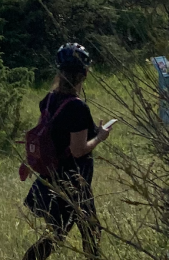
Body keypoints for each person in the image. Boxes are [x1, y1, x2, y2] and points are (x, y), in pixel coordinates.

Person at [22, 43, 113, 260]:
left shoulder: (48, 99)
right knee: (89, 232)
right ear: (84, 74)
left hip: (50, 176)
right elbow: (78, 150)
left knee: (60, 234)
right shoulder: (77, 108)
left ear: (60, 72)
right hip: (72, 181)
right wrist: (100, 136)